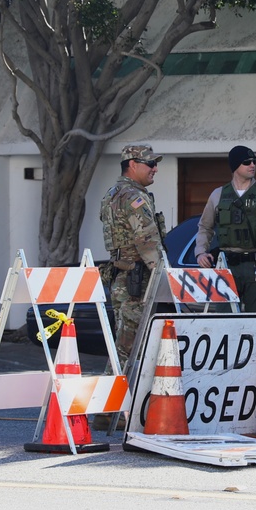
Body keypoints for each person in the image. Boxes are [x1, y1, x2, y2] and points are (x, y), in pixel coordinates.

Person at [194, 145, 256, 312]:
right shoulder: (218, 195)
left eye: (254, 161)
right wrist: (200, 252)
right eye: (246, 162)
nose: (252, 165)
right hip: (227, 266)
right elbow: (204, 227)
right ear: (235, 166)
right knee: (225, 321)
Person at [100, 143, 167, 372]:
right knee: (129, 349)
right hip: (137, 282)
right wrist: (163, 278)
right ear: (132, 164)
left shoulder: (112, 194)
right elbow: (147, 242)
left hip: (122, 277)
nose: (155, 169)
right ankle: (110, 405)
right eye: (150, 163)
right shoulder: (133, 197)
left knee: (124, 347)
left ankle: (118, 404)